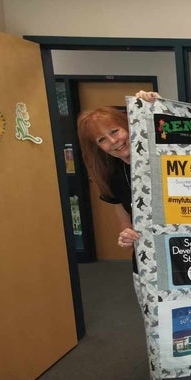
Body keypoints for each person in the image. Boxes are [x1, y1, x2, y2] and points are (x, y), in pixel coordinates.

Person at [77, 91, 160, 258]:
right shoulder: (114, 178)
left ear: (128, 126)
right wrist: (126, 237)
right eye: (102, 140)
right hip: (152, 259)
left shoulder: (163, 157)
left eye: (114, 131)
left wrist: (154, 104)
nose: (113, 141)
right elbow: (126, 225)